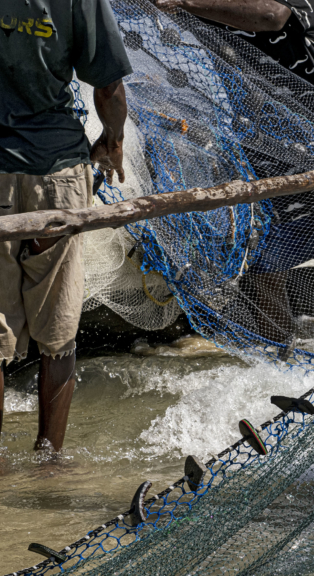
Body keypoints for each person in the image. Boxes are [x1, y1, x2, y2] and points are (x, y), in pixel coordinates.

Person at [155, 0, 314, 347]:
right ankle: (279, 359)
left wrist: (183, 2)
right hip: (264, 140)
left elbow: (271, 16)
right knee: (265, 268)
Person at [0, 0, 132, 452]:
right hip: (55, 172)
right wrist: (112, 141)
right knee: (57, 330)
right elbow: (108, 88)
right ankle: (50, 460)